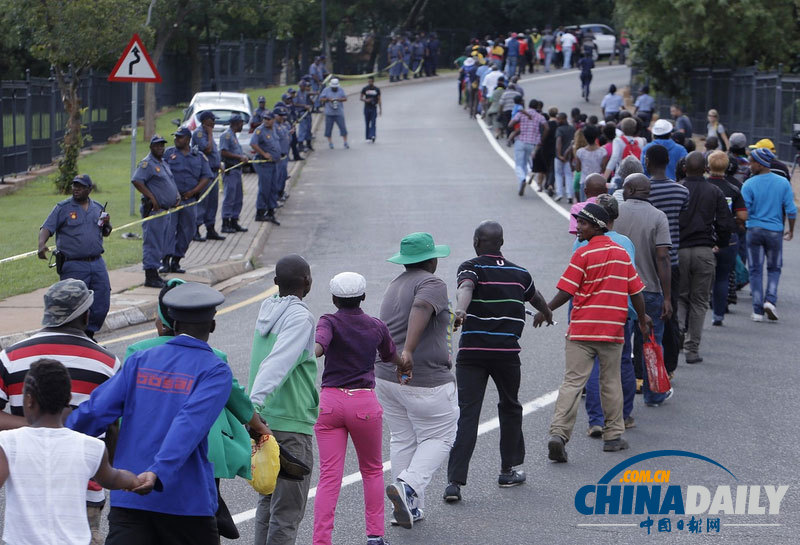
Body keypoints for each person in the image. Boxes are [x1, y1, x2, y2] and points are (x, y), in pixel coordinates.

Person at [67, 282, 232, 544]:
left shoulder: (140, 360)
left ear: (173, 322)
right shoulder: (215, 370)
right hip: (185, 503)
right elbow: (189, 424)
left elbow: (96, 411)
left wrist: (57, 435)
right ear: (212, 325)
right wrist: (157, 472)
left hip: (130, 495)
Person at [123, 277, 269, 540]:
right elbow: (237, 399)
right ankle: (213, 512)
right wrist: (259, 426)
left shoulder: (138, 351)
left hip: (149, 448)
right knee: (200, 507)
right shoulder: (213, 355)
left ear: (164, 320)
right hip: (205, 452)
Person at [0, 278, 121, 542]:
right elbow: (113, 428)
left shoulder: (10, 358)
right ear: (87, 313)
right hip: (85, 488)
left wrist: (35, 428)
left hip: (26, 490)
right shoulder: (108, 364)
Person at [444, 221, 551, 503]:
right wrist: (547, 311)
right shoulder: (520, 273)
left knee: (467, 413)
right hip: (506, 354)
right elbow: (535, 296)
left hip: (473, 354)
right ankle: (508, 470)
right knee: (510, 406)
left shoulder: (471, 267)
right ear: (501, 243)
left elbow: (466, 287)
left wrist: (460, 310)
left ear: (477, 241)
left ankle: (454, 483)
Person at [535, 203, 651, 461]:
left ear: (598, 226)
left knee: (573, 382)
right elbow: (636, 291)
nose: (578, 228)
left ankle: (559, 434)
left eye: (583, 223)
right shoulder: (621, 254)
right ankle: (613, 437)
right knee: (610, 382)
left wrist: (546, 309)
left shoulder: (583, 254)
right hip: (611, 330)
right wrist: (642, 319)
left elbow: (567, 291)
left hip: (582, 329)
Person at [0, 358, 140, 545]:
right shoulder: (90, 446)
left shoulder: (8, 443)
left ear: (29, 400)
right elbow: (112, 478)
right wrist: (135, 481)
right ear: (68, 401)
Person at [312, 272, 402, 545]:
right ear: (363, 297)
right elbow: (391, 356)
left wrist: (311, 349)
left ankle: (321, 540)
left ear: (333, 299)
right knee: (372, 470)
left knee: (329, 476)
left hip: (330, 403)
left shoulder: (328, 321)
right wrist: (405, 365)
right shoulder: (375, 326)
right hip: (363, 403)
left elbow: (318, 347)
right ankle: (375, 535)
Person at [377, 232, 459, 530]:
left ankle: (410, 507)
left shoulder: (394, 285)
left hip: (386, 378)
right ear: (430, 260)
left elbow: (421, 315)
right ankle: (407, 486)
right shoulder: (431, 283)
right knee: (441, 435)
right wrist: (408, 351)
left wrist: (449, 319)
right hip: (423, 378)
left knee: (403, 437)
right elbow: (421, 308)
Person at [249, 255, 318, 545]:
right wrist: (253, 405)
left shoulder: (268, 309)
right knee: (287, 513)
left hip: (265, 425)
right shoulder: (300, 317)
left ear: (275, 283)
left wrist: (253, 414)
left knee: (268, 502)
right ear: (307, 281)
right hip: (291, 426)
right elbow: (278, 363)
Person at [574, 195, 639, 433]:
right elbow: (631, 280)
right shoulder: (624, 243)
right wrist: (640, 314)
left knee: (591, 364)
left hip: (588, 310)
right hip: (617, 310)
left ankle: (596, 420)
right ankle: (623, 415)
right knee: (622, 362)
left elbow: (573, 281)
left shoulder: (582, 241)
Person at [614, 174, 674, 406]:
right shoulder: (659, 216)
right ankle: (654, 393)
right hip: (649, 289)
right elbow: (663, 257)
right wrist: (667, 297)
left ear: (628, 189)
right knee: (650, 342)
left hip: (619, 291)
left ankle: (619, 396)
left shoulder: (615, 212)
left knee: (619, 346)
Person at [38, 174, 112, 338]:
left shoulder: (98, 207)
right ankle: (74, 337)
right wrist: (41, 244)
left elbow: (106, 232)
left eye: (80, 186)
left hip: (96, 262)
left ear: (89, 189)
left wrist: (107, 223)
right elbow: (47, 227)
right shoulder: (63, 208)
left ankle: (89, 335)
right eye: (74, 186)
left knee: (102, 301)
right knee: (73, 303)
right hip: (73, 264)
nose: (76, 189)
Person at [677, 152, 733, 363]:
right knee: (699, 301)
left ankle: (679, 333)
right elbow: (725, 223)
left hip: (680, 249)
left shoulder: (678, 188)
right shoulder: (714, 191)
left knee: (680, 297)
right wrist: (721, 243)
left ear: (684, 168)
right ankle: (693, 349)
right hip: (704, 249)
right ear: (705, 169)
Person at [643, 144, 689, 376]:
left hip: (643, 260)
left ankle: (641, 367)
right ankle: (668, 366)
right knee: (668, 313)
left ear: (648, 162)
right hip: (671, 260)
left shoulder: (642, 190)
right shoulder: (681, 192)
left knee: (641, 314)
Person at [742, 148, 797, 322]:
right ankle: (770, 301)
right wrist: (791, 230)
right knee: (774, 268)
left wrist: (745, 225)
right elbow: (791, 210)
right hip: (775, 230)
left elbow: (745, 210)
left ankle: (757, 310)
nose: (749, 165)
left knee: (755, 270)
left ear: (760, 163)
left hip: (754, 230)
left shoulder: (749, 184)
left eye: (751, 162)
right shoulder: (782, 183)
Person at [131, 134, 181, 289]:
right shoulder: (147, 164)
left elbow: (169, 182)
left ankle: (156, 273)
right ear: (151, 147)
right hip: (153, 211)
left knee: (160, 242)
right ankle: (150, 276)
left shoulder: (163, 162)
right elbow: (137, 180)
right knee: (152, 242)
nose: (160, 148)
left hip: (165, 211)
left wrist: (176, 195)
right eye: (157, 145)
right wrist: (152, 198)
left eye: (162, 145)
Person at [706, 151, 748, 326]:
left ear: (708, 166)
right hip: (728, 238)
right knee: (722, 277)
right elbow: (743, 216)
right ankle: (718, 315)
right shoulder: (733, 189)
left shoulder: (704, 186)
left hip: (705, 237)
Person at [163, 127, 212, 273]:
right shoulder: (169, 154)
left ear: (188, 139)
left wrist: (193, 191)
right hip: (172, 201)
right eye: (176, 137)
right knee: (168, 231)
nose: (176, 139)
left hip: (189, 200)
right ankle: (165, 261)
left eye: (180, 137)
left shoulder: (198, 156)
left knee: (187, 231)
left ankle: (176, 261)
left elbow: (206, 176)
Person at [192, 111, 224, 241]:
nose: (214, 123)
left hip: (213, 172)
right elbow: (207, 149)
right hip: (204, 174)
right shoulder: (199, 133)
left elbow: (213, 154)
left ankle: (210, 228)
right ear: (205, 121)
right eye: (212, 120)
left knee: (212, 203)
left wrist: (219, 164)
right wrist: (210, 133)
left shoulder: (207, 133)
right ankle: (195, 229)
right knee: (203, 202)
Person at [509, 99, 548, 196]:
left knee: (518, 164)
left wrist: (517, 129)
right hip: (532, 143)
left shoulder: (522, 114)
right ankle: (522, 181)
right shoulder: (539, 116)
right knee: (526, 163)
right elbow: (547, 127)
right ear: (537, 107)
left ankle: (522, 179)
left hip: (521, 141)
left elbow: (510, 124)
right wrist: (541, 139)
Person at [219, 113, 249, 233]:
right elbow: (223, 152)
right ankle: (225, 223)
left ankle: (234, 221)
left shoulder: (234, 136)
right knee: (229, 198)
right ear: (235, 124)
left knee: (238, 197)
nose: (242, 125)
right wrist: (239, 157)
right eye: (241, 123)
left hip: (237, 171)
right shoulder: (226, 136)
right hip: (230, 170)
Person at [251, 110, 282, 225]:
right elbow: (253, 143)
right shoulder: (259, 130)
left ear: (273, 120)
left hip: (274, 163)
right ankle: (260, 212)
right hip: (264, 164)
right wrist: (264, 154)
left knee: (273, 188)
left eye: (268, 119)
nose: (266, 121)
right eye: (264, 119)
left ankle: (270, 212)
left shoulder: (273, 129)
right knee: (264, 188)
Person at [575, 124, 608, 202]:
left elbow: (578, 169)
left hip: (584, 182)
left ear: (585, 137)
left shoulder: (580, 152)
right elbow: (603, 169)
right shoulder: (603, 152)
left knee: (584, 205)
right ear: (596, 136)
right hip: (598, 183)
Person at [320, 78, 349, 149]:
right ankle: (330, 142)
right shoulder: (326, 90)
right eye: (333, 88)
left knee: (343, 127)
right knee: (328, 128)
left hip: (339, 112)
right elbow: (321, 98)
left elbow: (345, 98)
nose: (335, 89)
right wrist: (328, 99)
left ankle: (345, 142)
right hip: (329, 112)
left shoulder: (341, 90)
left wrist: (338, 99)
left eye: (335, 88)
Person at [554, 112, 576, 202]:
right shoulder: (572, 129)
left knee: (558, 174)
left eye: (559, 119)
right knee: (569, 175)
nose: (557, 121)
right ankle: (569, 195)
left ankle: (559, 193)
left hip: (559, 157)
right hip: (569, 157)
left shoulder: (559, 129)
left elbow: (558, 141)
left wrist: (559, 155)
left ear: (564, 119)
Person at [361, 76, 382, 143]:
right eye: (369, 81)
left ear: (373, 81)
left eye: (371, 81)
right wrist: (366, 100)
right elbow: (361, 98)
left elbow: (379, 99)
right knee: (367, 123)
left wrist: (380, 109)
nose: (369, 82)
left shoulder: (376, 89)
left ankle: (373, 135)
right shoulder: (365, 89)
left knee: (373, 122)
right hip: (367, 107)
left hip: (373, 107)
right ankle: (367, 137)